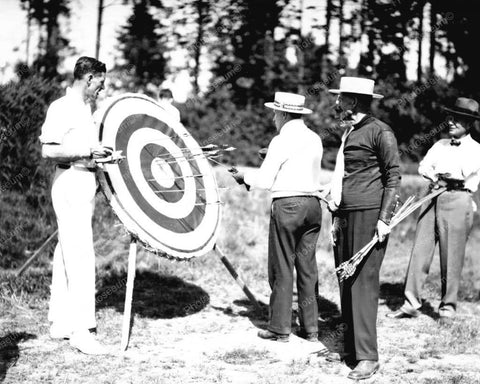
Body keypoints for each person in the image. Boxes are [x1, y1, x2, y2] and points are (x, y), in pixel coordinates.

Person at [230, 92, 324, 344]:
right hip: (313, 205)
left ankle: (280, 328)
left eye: (274, 113)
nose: (273, 118)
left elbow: (263, 180)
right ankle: (311, 328)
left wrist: (243, 177)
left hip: (288, 206)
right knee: (307, 268)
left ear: (283, 114)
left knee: (281, 267)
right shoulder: (314, 138)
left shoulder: (281, 140)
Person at [327, 77, 401, 380]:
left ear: (353, 102)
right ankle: (352, 348)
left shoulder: (380, 131)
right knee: (346, 280)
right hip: (345, 215)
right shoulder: (351, 131)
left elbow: (393, 176)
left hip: (369, 216)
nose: (336, 103)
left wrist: (384, 219)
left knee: (363, 285)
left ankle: (369, 357)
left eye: (341, 98)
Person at [40, 56, 113, 355]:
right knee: (80, 252)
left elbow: (87, 149)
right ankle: (82, 332)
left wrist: (100, 156)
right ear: (90, 78)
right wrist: (87, 150)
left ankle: (60, 321)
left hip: (83, 180)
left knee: (65, 249)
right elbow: (48, 149)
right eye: (101, 82)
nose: (102, 88)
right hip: (69, 180)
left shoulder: (86, 108)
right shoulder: (62, 106)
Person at [387, 97, 480, 321]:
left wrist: (440, 174)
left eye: (457, 120)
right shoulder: (439, 145)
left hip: (458, 199)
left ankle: (447, 307)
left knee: (451, 254)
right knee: (420, 249)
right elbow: (424, 167)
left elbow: (463, 172)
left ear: (468, 124)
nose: (451, 123)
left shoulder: (476, 149)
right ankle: (411, 302)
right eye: (450, 118)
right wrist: (436, 175)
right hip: (431, 196)